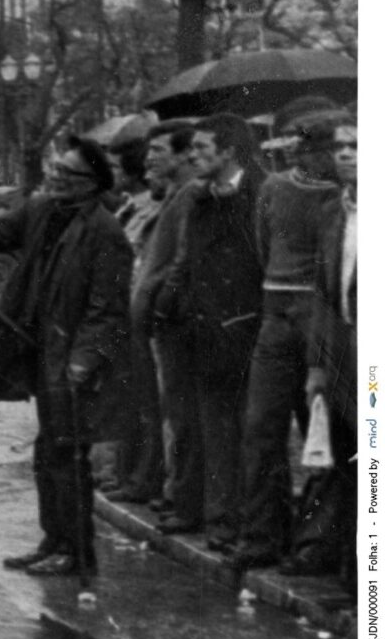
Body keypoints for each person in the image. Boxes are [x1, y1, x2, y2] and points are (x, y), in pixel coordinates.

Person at [0, 137, 131, 578]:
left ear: (91, 184)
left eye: (65, 174)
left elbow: (109, 311)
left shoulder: (105, 233)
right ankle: (53, 540)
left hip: (73, 361)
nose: (53, 178)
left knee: (68, 454)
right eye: (54, 169)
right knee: (47, 453)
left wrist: (86, 361)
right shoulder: (41, 210)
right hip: (40, 348)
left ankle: (75, 550)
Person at [229, 113, 347, 571]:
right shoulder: (274, 188)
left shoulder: (347, 197)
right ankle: (263, 536)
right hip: (277, 315)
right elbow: (263, 248)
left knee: (322, 430)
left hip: (324, 319)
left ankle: (315, 544)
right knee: (262, 428)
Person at [152, 113, 262, 545]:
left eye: (201, 148)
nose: (192, 155)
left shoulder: (259, 196)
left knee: (248, 434)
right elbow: (185, 260)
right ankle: (219, 520)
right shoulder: (200, 199)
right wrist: (168, 306)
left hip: (244, 327)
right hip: (202, 329)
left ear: (229, 151)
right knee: (211, 429)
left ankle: (243, 523)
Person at [109, 125, 193, 509]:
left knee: (162, 405)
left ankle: (157, 480)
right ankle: (143, 476)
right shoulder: (164, 200)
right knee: (144, 401)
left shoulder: (176, 201)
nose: (149, 165)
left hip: (162, 315)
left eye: (157, 153)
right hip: (139, 311)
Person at [297, 123, 356, 591]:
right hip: (343, 357)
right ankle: (352, 581)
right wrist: (317, 366)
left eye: (358, 146)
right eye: (340, 147)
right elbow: (322, 291)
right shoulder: (335, 213)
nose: (347, 155)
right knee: (348, 463)